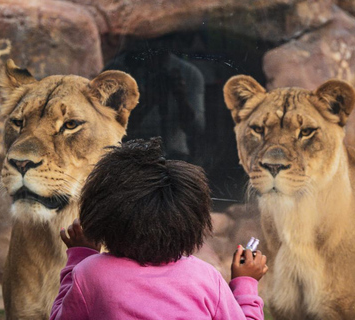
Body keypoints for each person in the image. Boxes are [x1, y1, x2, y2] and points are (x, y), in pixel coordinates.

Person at [50, 138, 268, 320]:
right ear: (192, 223)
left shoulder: (91, 273)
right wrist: (245, 282)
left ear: (102, 215)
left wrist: (79, 256)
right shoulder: (205, 277)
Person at [103, 44, 205, 163]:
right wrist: (148, 100)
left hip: (175, 158)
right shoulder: (117, 72)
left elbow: (197, 129)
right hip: (130, 158)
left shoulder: (188, 73)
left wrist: (181, 99)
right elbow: (109, 131)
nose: (155, 45)